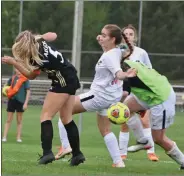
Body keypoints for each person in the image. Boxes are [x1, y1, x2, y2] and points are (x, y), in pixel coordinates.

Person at [56, 24, 137, 168]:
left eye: (104, 35)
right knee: (105, 130)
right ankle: (118, 162)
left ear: (112, 39)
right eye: (101, 34)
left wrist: (126, 75)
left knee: (64, 108)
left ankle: (66, 146)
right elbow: (123, 50)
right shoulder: (117, 51)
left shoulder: (109, 56)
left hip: (98, 96)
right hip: (111, 97)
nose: (101, 37)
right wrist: (102, 40)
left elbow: (118, 73)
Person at [2, 31, 85, 166]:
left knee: (45, 116)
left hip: (62, 81)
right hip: (71, 76)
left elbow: (31, 75)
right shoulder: (39, 42)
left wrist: (14, 63)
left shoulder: (37, 58)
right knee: (66, 118)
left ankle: (47, 153)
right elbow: (54, 35)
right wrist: (41, 37)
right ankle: (77, 154)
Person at [121, 59, 184, 170]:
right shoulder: (128, 62)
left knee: (159, 139)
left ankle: (183, 161)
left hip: (161, 99)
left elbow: (127, 89)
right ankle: (143, 141)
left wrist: (113, 107)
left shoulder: (127, 70)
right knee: (124, 109)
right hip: (152, 93)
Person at [119, 24, 159, 161]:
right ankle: (122, 153)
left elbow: (149, 70)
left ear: (134, 37)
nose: (128, 37)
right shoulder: (117, 51)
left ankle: (151, 152)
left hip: (139, 90)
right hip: (123, 90)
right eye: (125, 34)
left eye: (130, 34)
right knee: (124, 121)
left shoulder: (141, 52)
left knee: (145, 120)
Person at [2, 69, 30, 142]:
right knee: (8, 120)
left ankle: (18, 138)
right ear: (15, 69)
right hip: (12, 100)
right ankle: (4, 137)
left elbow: (28, 91)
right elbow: (6, 87)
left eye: (19, 68)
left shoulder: (25, 79)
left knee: (19, 120)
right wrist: (4, 91)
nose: (18, 70)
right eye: (17, 69)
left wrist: (26, 103)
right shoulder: (12, 78)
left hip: (21, 101)